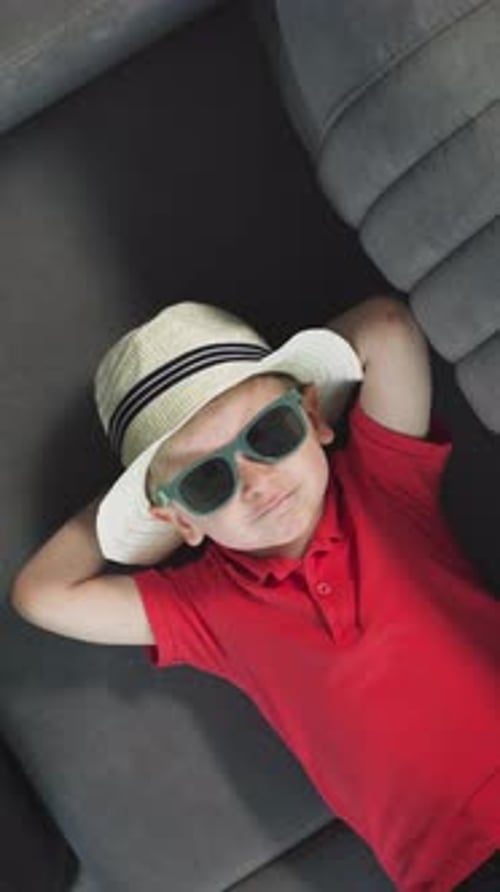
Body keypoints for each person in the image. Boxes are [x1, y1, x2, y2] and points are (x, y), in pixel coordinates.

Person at [11, 297, 500, 891]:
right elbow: (42, 594)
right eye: (207, 479)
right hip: (452, 870)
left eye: (270, 433)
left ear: (314, 416)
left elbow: (387, 328)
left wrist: (295, 397)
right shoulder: (208, 606)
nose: (256, 483)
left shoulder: (383, 486)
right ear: (178, 520)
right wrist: (143, 502)